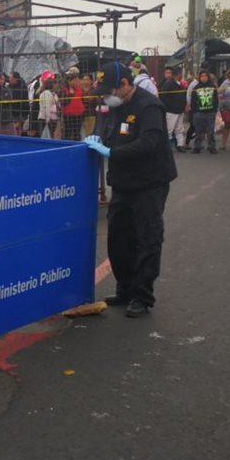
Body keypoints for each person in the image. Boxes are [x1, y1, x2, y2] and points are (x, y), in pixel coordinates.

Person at [83, 64, 177, 318]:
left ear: (125, 83)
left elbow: (149, 143)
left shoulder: (149, 106)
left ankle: (142, 295)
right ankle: (124, 288)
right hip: (124, 182)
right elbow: (112, 134)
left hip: (150, 182)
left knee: (147, 236)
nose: (106, 97)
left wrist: (112, 152)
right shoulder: (116, 107)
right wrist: (100, 141)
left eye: (109, 90)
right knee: (118, 237)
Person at [188, 68, 218, 154]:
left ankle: (211, 147)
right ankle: (197, 146)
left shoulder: (212, 87)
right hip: (199, 112)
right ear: (199, 77)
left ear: (208, 77)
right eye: (202, 76)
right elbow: (193, 100)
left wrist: (215, 110)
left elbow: (216, 99)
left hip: (210, 112)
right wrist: (194, 112)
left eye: (205, 76)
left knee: (210, 131)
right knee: (198, 131)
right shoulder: (196, 87)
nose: (204, 78)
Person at [158, 67, 188, 151]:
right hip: (172, 110)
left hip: (179, 110)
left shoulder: (178, 83)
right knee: (169, 129)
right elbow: (163, 96)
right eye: (180, 74)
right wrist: (171, 105)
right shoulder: (169, 83)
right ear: (176, 75)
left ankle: (180, 145)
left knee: (179, 129)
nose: (181, 75)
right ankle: (165, 146)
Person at [61, 73, 87, 141]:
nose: (77, 82)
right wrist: (70, 94)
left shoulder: (80, 89)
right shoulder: (64, 90)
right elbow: (63, 103)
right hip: (68, 115)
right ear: (69, 81)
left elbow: (83, 100)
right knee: (68, 133)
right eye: (75, 80)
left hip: (79, 115)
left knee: (77, 133)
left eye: (77, 80)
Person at [37, 73, 60, 138]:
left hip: (53, 119)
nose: (57, 85)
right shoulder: (46, 93)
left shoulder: (54, 94)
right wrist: (48, 120)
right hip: (46, 119)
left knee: (51, 136)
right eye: (55, 84)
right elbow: (47, 107)